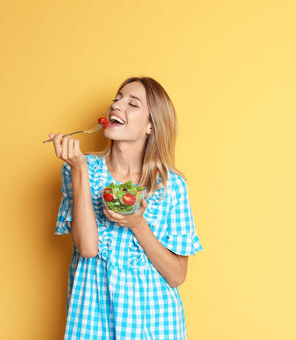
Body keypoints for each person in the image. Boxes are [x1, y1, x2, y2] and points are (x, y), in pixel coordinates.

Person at [48, 76, 203, 339]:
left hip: (154, 322)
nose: (117, 106)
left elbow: (177, 276)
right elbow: (87, 248)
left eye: (133, 104)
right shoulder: (80, 169)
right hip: (92, 319)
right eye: (117, 99)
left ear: (151, 126)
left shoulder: (171, 185)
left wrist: (138, 224)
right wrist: (78, 170)